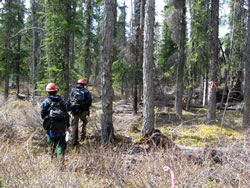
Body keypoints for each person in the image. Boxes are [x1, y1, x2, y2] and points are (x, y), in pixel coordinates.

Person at [40, 83, 70, 165]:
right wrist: (67, 126)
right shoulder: (61, 101)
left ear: (48, 92)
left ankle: (53, 162)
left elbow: (42, 115)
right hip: (62, 128)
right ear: (56, 92)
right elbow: (67, 114)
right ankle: (61, 164)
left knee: (51, 145)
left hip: (50, 128)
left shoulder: (46, 102)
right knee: (61, 145)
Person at [67, 79, 92, 146]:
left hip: (74, 111)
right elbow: (89, 102)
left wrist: (69, 110)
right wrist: (86, 108)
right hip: (83, 111)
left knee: (74, 126)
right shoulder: (86, 92)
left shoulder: (73, 92)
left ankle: (74, 141)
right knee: (84, 123)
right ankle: (82, 138)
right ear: (84, 85)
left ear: (77, 84)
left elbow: (69, 101)